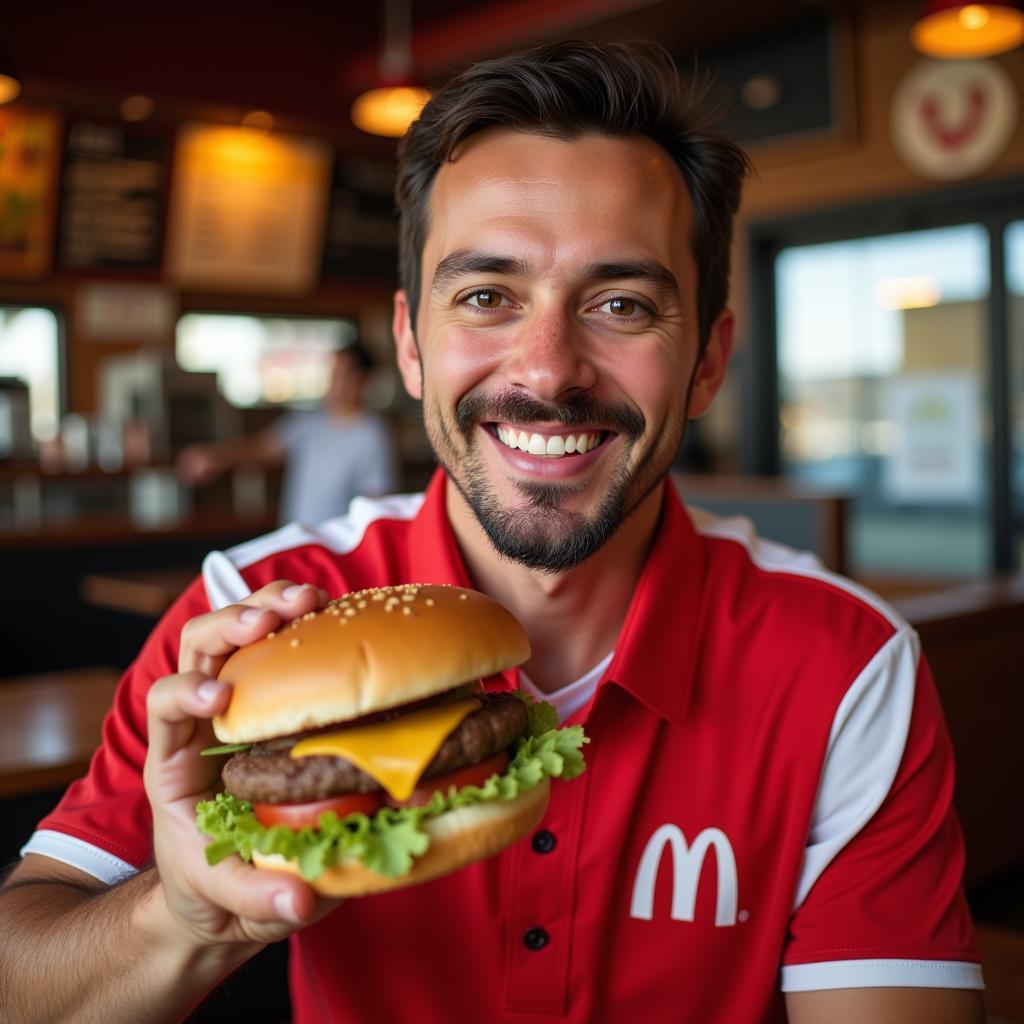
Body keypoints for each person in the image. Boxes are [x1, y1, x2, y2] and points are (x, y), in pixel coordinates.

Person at [0, 40, 984, 1024]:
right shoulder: (245, 621)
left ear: (709, 363)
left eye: (620, 303)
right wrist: (178, 914)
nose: (547, 369)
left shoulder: (844, 663)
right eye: (484, 296)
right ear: (409, 345)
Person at [176, 341, 398, 525]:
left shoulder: (372, 435)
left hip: (338, 550)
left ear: (362, 381)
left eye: (340, 375)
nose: (332, 382)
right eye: (332, 374)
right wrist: (217, 457)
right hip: (297, 537)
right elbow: (266, 446)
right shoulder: (311, 422)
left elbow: (376, 499)